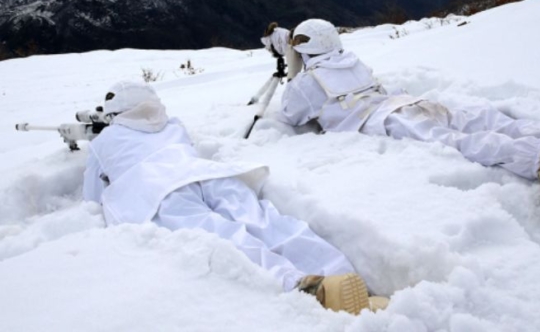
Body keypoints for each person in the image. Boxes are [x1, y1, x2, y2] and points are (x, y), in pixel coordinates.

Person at [279, 19, 540, 220]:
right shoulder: (352, 60)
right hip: (411, 101)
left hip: (388, 119)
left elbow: (291, 115)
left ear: (304, 48)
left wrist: (292, 71)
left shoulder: (307, 82)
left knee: (460, 142)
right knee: (489, 120)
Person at [83, 80, 386, 314]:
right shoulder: (173, 125)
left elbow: (92, 196)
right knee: (267, 223)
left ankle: (306, 288)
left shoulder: (106, 139)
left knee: (221, 234)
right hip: (207, 175)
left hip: (159, 190)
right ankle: (347, 279)